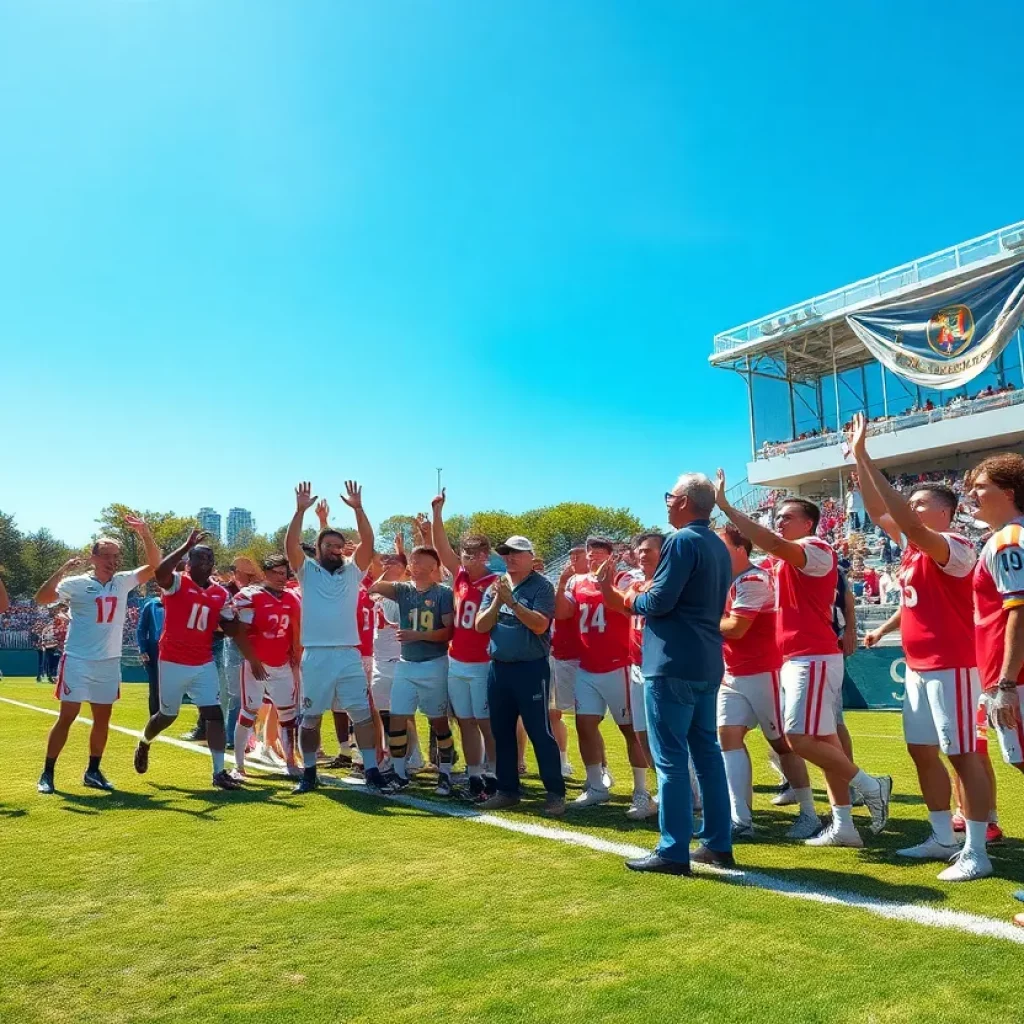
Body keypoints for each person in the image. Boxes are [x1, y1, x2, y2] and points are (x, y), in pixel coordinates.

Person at [715, 471, 892, 849]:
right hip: (799, 656)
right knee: (825, 739)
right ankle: (844, 825)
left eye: (787, 516)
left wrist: (728, 507)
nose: (779, 521)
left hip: (812, 655)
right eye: (777, 517)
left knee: (797, 738)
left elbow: (771, 544)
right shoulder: (782, 564)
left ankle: (870, 784)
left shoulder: (816, 548)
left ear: (809, 523)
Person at [851, 413, 992, 880]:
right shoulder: (914, 549)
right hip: (918, 666)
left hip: (952, 664)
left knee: (963, 754)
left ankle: (976, 849)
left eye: (918, 502)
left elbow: (902, 520)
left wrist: (869, 459)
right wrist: (857, 458)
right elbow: (877, 512)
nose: (908, 507)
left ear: (942, 510)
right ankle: (941, 836)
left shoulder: (954, 545)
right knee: (921, 750)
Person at [620, 474, 732, 875]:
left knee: (670, 761)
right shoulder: (716, 543)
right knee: (707, 755)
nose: (666, 502)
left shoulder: (682, 541)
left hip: (671, 663)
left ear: (684, 501)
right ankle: (719, 842)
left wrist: (628, 598)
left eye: (669, 496)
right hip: (705, 660)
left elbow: (659, 601)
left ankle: (672, 850)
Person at [35, 516, 161, 794]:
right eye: (106, 555)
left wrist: (145, 534)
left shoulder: (123, 581)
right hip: (78, 659)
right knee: (67, 716)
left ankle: (93, 771)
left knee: (102, 719)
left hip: (108, 661)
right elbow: (42, 598)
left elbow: (155, 566)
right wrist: (61, 570)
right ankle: (47, 772)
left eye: (116, 556)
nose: (112, 561)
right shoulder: (76, 583)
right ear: (93, 557)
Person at [285, 481, 397, 795]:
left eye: (339, 546)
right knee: (311, 717)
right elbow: (291, 544)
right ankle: (309, 773)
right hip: (316, 655)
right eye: (329, 545)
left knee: (361, 715)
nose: (335, 550)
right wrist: (300, 512)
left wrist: (358, 508)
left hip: (348, 654)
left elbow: (370, 542)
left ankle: (372, 770)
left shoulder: (352, 572)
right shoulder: (306, 571)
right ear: (318, 548)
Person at [133, 530, 263, 790]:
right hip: (172, 659)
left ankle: (218, 772)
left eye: (209, 560)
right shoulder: (178, 582)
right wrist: (185, 545)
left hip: (203, 661)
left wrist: (244, 637)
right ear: (189, 564)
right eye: (199, 560)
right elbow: (160, 573)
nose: (205, 564)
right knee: (167, 715)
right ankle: (145, 741)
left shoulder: (219, 594)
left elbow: (229, 627)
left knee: (213, 714)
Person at [716, 524, 821, 840]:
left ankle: (809, 813)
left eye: (720, 545)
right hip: (733, 671)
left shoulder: (754, 579)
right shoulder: (724, 581)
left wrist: (699, 617)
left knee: (782, 744)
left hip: (765, 671)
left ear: (739, 548)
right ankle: (741, 818)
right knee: (728, 738)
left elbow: (736, 628)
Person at [558, 537, 650, 816]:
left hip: (617, 665)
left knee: (630, 730)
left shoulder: (625, 578)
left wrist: (604, 582)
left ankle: (641, 791)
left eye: (599, 553)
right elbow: (563, 613)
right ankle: (596, 785)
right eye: (590, 553)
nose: (593, 558)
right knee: (585, 726)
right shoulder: (576, 581)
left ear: (611, 556)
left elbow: (623, 607)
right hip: (587, 665)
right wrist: (562, 583)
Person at [474, 536, 565, 816]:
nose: (510, 558)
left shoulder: (542, 586)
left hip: (530, 667)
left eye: (516, 553)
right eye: (506, 553)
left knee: (540, 731)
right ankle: (507, 790)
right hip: (499, 667)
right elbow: (480, 626)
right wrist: (495, 604)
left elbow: (540, 625)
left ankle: (554, 793)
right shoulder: (496, 586)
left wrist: (512, 603)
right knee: (501, 731)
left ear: (529, 556)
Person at [430, 489, 499, 800]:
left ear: (486, 556)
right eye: (465, 554)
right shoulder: (459, 577)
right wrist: (437, 513)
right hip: (457, 660)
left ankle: (493, 774)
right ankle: (473, 776)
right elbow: (440, 547)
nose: (468, 559)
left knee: (486, 722)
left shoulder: (495, 582)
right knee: (466, 722)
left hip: (483, 662)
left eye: (474, 555)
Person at [369, 546, 455, 793]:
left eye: (420, 562)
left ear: (433, 567)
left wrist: (418, 635)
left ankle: (445, 773)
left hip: (434, 664)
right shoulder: (404, 590)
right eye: (413, 561)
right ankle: (399, 773)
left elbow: (448, 632)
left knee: (438, 721)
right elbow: (374, 588)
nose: (414, 566)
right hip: (406, 665)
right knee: (397, 718)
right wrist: (390, 572)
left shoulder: (442, 593)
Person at [599, 531, 666, 820]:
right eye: (639, 549)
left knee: (668, 735)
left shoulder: (671, 582)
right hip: (637, 666)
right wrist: (604, 583)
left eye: (648, 549)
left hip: (664, 668)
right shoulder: (637, 583)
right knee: (642, 735)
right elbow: (619, 604)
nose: (641, 553)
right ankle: (670, 789)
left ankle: (688, 793)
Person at [969, 454, 1024, 778]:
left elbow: (1019, 610)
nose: (972, 494)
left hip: (1015, 678)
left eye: (981, 487)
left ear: (1009, 493)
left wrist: (1006, 684)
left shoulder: (1007, 542)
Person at [231, 554, 303, 778]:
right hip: (257, 663)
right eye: (277, 573)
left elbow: (295, 630)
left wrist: (295, 658)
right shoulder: (250, 596)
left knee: (288, 715)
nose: (282, 578)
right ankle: (238, 765)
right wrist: (253, 661)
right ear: (266, 573)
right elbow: (239, 632)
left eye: (285, 573)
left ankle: (290, 761)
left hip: (281, 663)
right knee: (248, 712)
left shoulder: (291, 598)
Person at [549, 546, 590, 778]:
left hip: (580, 657)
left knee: (587, 718)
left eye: (579, 555)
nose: (573, 560)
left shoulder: (589, 586)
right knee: (554, 713)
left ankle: (601, 768)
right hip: (557, 656)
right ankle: (562, 760)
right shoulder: (566, 584)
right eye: (571, 556)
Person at [135, 588, 165, 716]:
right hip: (154, 649)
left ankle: (168, 712)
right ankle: (155, 716)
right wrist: (143, 649)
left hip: (174, 648)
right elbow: (141, 628)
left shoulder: (179, 604)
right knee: (155, 684)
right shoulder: (151, 605)